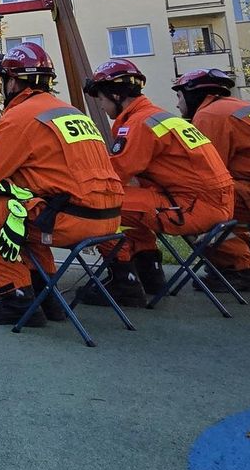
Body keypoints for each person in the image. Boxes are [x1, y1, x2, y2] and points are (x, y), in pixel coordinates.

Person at [0, 42, 124, 326]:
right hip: (108, 220)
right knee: (24, 208)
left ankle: (15, 294)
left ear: (11, 82)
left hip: (67, 220)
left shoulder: (21, 117)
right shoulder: (70, 112)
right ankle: (45, 295)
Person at [81, 59, 235, 306]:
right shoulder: (156, 117)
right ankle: (149, 270)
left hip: (193, 206)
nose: (100, 104)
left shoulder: (139, 124)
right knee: (128, 202)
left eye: (100, 98)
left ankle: (124, 282)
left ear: (115, 94)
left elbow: (114, 176)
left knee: (99, 204)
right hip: (207, 201)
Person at [171, 68, 250, 291]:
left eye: (179, 96)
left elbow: (208, 174)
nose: (177, 105)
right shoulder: (240, 107)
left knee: (191, 209)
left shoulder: (210, 116)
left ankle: (237, 268)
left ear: (193, 94)